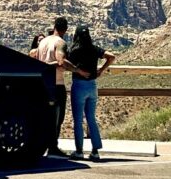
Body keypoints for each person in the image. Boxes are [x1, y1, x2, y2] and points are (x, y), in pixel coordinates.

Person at [34, 17, 88, 158]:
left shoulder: (43, 42)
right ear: (65, 29)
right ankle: (53, 147)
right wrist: (77, 70)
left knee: (44, 116)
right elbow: (61, 61)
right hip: (56, 84)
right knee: (58, 117)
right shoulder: (61, 43)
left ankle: (43, 144)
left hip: (41, 84)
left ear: (54, 26)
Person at [66, 25, 115, 161]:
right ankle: (95, 151)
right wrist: (101, 70)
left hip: (79, 85)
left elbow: (65, 63)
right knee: (91, 118)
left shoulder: (74, 50)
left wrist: (77, 70)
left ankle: (79, 150)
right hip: (93, 86)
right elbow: (111, 56)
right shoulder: (94, 49)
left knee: (78, 120)